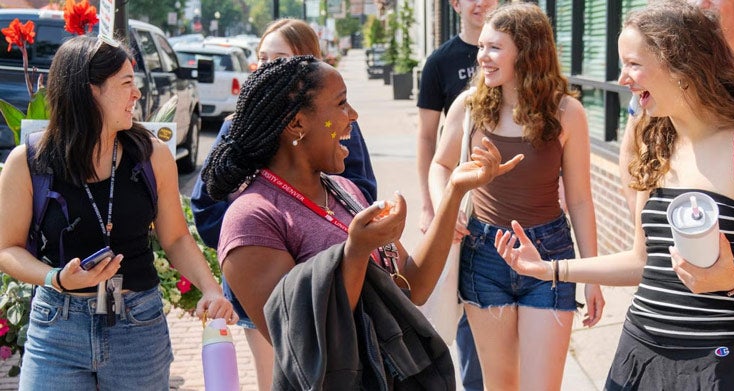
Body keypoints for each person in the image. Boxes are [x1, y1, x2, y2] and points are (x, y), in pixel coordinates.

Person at [496, 1, 734, 389]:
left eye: (633, 64)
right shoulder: (653, 137)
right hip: (639, 353)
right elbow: (642, 261)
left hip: (720, 361)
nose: (622, 79)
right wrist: (548, 269)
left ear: (681, 64)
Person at [202, 55, 522, 388]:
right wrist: (355, 252)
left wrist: (455, 191)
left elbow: (413, 285)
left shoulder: (343, 191)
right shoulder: (251, 219)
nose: (353, 114)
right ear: (297, 124)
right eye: (341, 103)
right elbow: (300, 343)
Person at [0, 36, 235, 390]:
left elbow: (174, 238)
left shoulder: (152, 156)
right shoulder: (29, 162)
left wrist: (210, 288)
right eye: (127, 83)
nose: (137, 94)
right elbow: (7, 248)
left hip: (137, 327)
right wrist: (56, 278)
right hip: (57, 328)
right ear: (88, 91)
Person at [189, 18, 377, 390]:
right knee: (276, 378)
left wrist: (316, 226)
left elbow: (361, 193)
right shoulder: (236, 129)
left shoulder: (335, 127)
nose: (266, 67)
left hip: (333, 283)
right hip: (258, 285)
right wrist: (262, 234)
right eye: (261, 58)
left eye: (279, 59)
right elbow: (205, 206)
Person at [429, 3, 604, 389]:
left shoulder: (567, 112)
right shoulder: (470, 105)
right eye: (482, 47)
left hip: (549, 254)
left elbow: (579, 199)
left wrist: (592, 276)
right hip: (484, 253)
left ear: (526, 52)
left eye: (495, 48)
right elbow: (440, 165)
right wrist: (449, 206)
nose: (482, 57)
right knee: (500, 384)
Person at [619, 0, 734, 256]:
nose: (701, 3)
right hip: (682, 234)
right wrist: (649, 227)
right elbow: (633, 150)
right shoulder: (659, 77)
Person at [415, 1, 497, 387]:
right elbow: (429, 140)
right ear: (456, 5)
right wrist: (434, 207)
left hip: (513, 212)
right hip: (464, 206)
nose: (482, 3)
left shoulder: (519, 51)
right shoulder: (440, 62)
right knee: (463, 313)